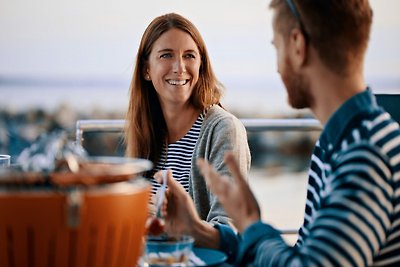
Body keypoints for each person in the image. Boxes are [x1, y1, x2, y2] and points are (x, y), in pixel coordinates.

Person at [159, 0, 400, 266]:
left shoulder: (364, 153)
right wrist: (198, 229)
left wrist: (252, 225)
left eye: (276, 46)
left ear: (297, 45)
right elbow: (302, 257)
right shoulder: (338, 141)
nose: (276, 67)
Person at [124, 13, 251, 247]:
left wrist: (164, 221)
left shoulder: (223, 130)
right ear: (146, 70)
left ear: (201, 64)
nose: (179, 67)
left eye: (189, 56)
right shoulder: (146, 130)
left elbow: (231, 228)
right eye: (166, 55)